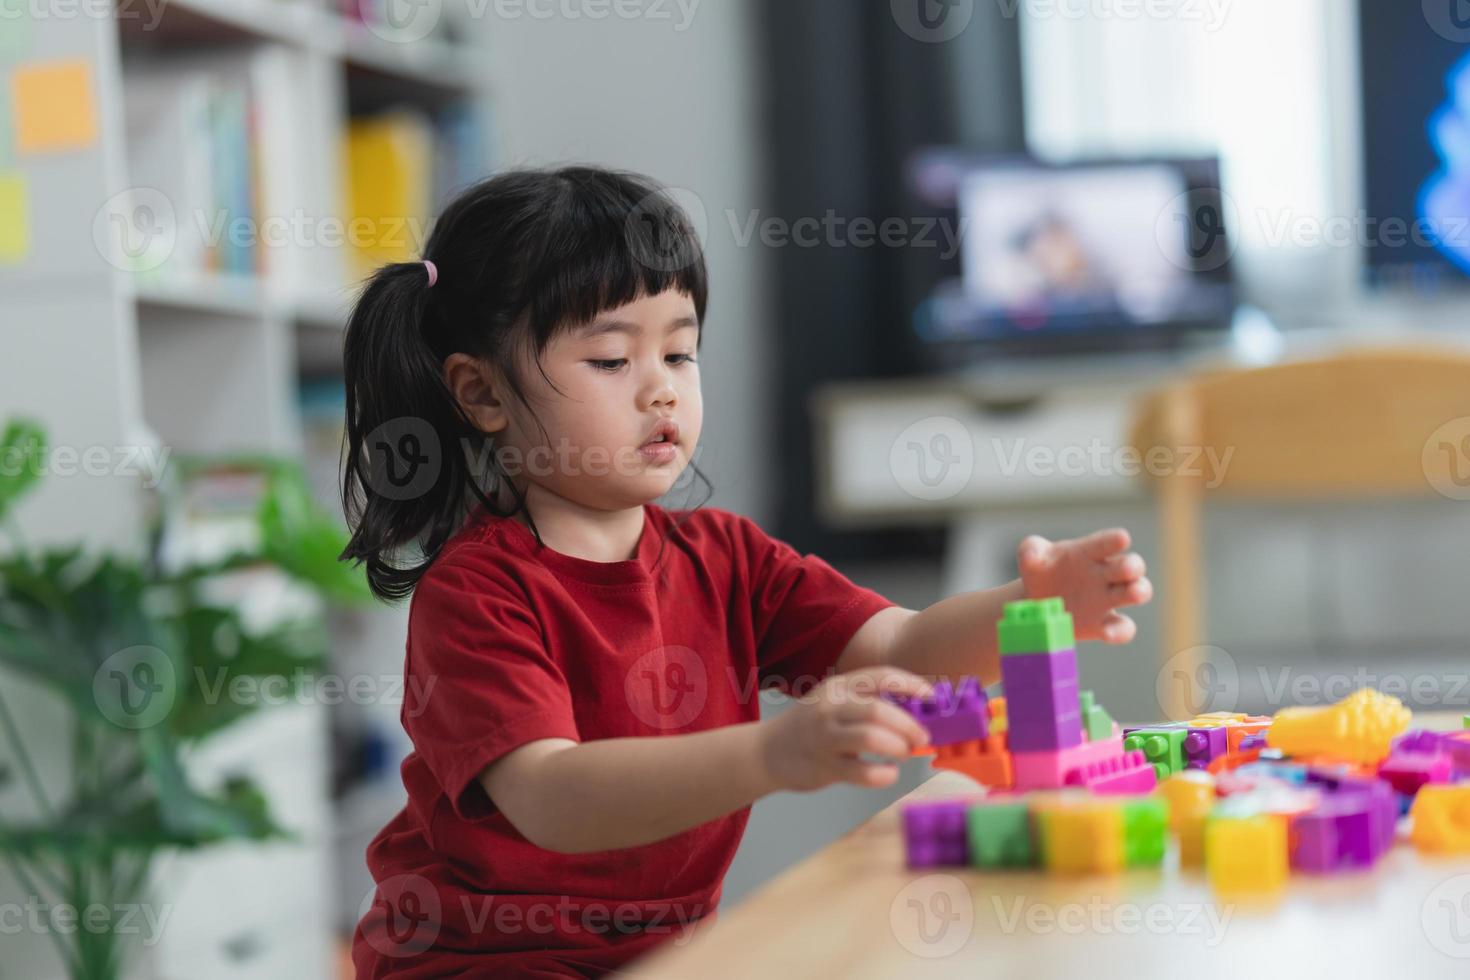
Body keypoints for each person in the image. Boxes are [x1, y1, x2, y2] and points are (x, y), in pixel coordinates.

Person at [341, 166, 1152, 977]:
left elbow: (901, 646)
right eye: (613, 360)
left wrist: (1032, 606)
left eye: (680, 352)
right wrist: (775, 752)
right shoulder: (477, 593)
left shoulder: (725, 558)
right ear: (482, 394)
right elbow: (552, 795)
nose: (661, 389)